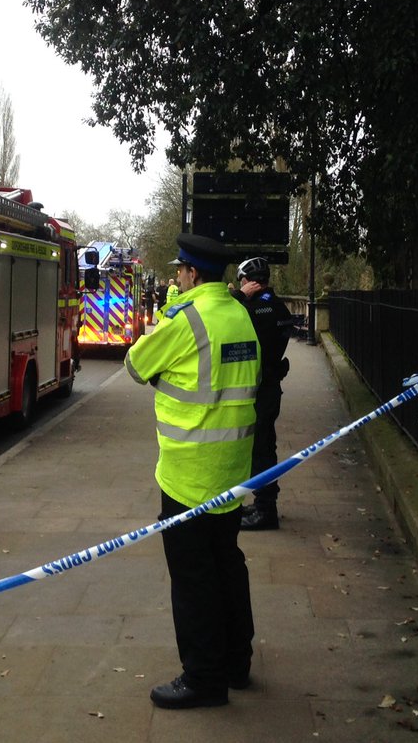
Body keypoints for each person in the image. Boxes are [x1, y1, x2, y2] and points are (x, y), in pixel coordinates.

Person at [124, 233, 261, 709]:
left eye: (179, 270)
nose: (176, 276)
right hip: (233, 469)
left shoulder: (187, 321)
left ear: (190, 274)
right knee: (227, 563)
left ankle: (203, 677)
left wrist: (167, 313)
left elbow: (136, 365)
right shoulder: (238, 315)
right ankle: (236, 662)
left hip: (187, 475)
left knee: (192, 576)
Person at [233, 257, 296, 531]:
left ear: (248, 281)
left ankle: (265, 510)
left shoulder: (248, 309)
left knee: (260, 451)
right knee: (265, 446)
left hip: (257, 388)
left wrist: (238, 297)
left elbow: (221, 316)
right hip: (272, 386)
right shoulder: (279, 307)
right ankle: (264, 504)